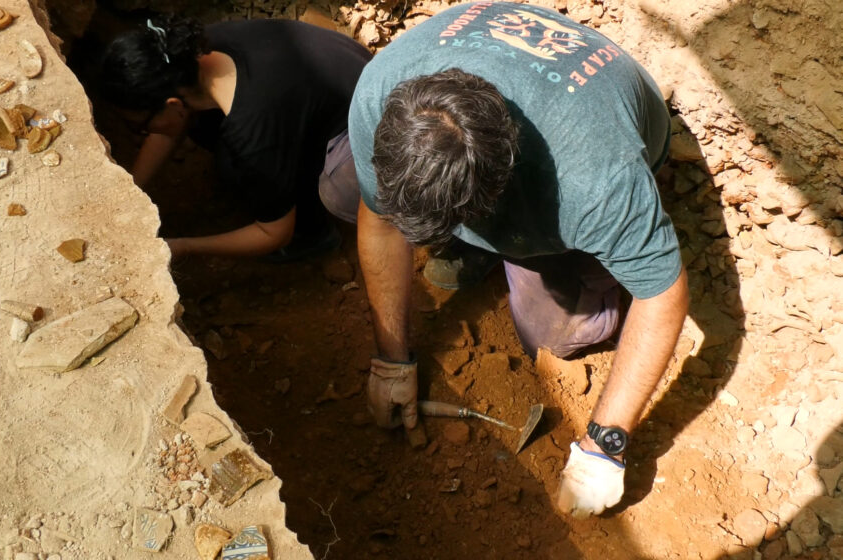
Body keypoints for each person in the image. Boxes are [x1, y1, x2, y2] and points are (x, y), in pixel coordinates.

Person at [345, 2, 689, 518]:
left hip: (607, 111)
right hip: (505, 120)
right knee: (337, 192)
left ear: (497, 190)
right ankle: (479, 246)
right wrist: (392, 361)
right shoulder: (378, 96)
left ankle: (543, 264)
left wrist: (604, 447)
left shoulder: (593, 178)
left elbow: (662, 292)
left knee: (557, 336)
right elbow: (378, 220)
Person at [99, 15, 370, 259]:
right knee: (214, 137)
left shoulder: (253, 133)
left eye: (143, 126)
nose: (145, 134)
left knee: (243, 166)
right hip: (348, 77)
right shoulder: (187, 53)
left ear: (172, 104)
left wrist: (182, 246)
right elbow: (171, 128)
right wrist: (131, 190)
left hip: (371, 130)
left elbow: (273, 233)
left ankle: (313, 234)